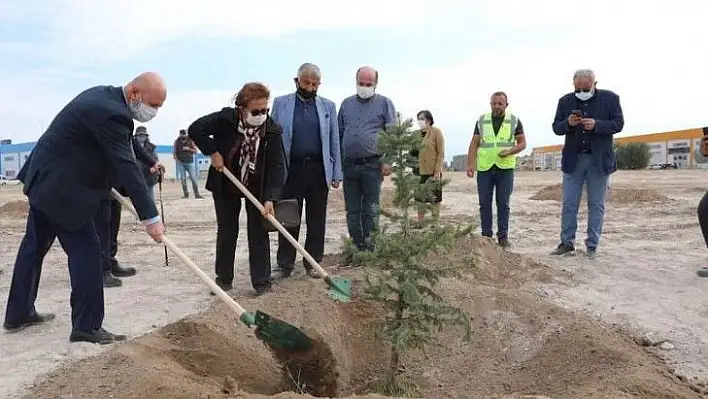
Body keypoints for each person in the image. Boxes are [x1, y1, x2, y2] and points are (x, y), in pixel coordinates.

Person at [3, 72, 166, 345]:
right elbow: (126, 165)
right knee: (88, 250)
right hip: (62, 191)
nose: (154, 112)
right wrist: (151, 217)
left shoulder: (102, 96)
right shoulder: (113, 113)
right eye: (154, 104)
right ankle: (87, 327)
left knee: (33, 248)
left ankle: (18, 314)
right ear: (135, 93)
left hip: (44, 181)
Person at [188, 82, 285, 296]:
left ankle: (262, 282)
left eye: (265, 110)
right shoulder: (226, 119)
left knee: (258, 232)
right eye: (256, 111)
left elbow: (278, 167)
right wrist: (212, 152)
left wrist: (270, 198)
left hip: (256, 187)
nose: (261, 115)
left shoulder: (272, 130)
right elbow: (195, 128)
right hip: (226, 182)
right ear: (242, 107)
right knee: (227, 229)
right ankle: (223, 279)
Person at [270, 63, 342, 279]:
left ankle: (313, 262)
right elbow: (272, 138)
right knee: (288, 216)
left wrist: (337, 172)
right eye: (306, 83)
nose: (310, 88)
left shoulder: (328, 106)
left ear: (319, 84)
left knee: (316, 218)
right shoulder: (281, 104)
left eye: (314, 84)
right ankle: (285, 263)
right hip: (290, 170)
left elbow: (334, 140)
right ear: (297, 81)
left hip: (318, 170)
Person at [549, 69, 624, 259]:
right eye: (578, 88)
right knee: (569, 204)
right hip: (573, 160)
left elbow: (618, 124)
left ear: (594, 84)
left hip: (598, 161)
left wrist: (597, 125)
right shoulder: (565, 101)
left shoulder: (611, 99)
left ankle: (592, 245)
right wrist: (568, 123)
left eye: (585, 87)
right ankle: (567, 243)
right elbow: (556, 128)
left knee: (596, 204)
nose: (581, 91)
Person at [338, 66, 396, 253]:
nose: (364, 87)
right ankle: (356, 246)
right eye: (361, 83)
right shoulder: (346, 104)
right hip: (349, 166)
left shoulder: (385, 104)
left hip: (372, 164)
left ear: (376, 84)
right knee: (352, 210)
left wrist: (389, 160)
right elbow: (338, 133)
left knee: (371, 209)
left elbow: (392, 133)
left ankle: (371, 248)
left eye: (368, 84)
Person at [101, 126, 163, 288]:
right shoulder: (107, 121)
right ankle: (101, 269)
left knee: (113, 223)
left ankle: (110, 261)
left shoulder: (124, 123)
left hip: (115, 183)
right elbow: (125, 157)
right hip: (100, 182)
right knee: (102, 226)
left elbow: (135, 147)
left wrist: (153, 161)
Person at [466, 92, 526, 248]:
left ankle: (503, 237)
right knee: (484, 203)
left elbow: (522, 143)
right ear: (490, 103)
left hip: (505, 168)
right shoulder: (482, 120)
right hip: (485, 167)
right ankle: (486, 236)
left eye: (500, 103)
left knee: (503, 203)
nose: (496, 106)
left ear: (506, 104)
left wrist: (510, 151)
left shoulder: (514, 120)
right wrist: (471, 164)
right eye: (493, 103)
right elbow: (474, 143)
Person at [412, 110, 445, 223]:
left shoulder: (436, 132)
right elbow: (412, 153)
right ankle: (420, 222)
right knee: (420, 199)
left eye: (422, 118)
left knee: (435, 198)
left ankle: (434, 222)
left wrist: (437, 171)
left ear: (429, 120)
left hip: (432, 170)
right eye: (419, 119)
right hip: (418, 171)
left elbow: (440, 153)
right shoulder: (415, 134)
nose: (420, 121)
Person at [173, 129, 203, 199]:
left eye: (184, 134)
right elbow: (174, 154)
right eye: (181, 134)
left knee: (193, 178)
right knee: (183, 179)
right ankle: (186, 194)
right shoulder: (176, 142)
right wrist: (177, 159)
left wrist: (189, 149)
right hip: (181, 164)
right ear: (179, 134)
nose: (183, 136)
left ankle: (197, 194)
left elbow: (196, 151)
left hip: (190, 163)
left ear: (186, 134)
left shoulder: (190, 141)